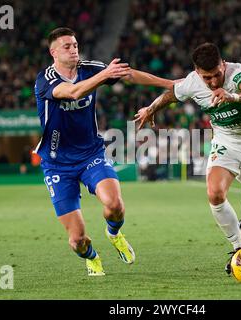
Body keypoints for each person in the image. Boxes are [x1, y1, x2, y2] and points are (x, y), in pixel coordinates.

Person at [34, 27, 174, 276]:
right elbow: (74, 92)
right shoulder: (45, 80)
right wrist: (105, 75)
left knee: (115, 204)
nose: (74, 49)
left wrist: (171, 83)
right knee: (77, 241)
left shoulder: (89, 68)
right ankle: (93, 257)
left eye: (75, 44)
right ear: (53, 52)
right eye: (67, 46)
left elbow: (128, 75)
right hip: (57, 164)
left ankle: (114, 234)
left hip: (91, 154)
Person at [134, 43, 241, 275]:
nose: (214, 82)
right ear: (198, 72)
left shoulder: (235, 72)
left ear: (223, 64)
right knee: (215, 194)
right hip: (225, 143)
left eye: (217, 74)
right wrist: (151, 109)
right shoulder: (192, 82)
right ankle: (239, 249)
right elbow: (171, 95)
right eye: (207, 78)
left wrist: (233, 96)